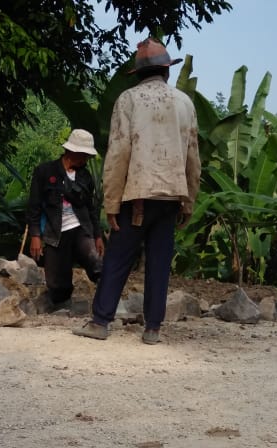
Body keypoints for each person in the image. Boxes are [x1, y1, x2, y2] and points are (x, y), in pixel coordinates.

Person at [72, 37, 200, 345]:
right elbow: (193, 157)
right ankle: (152, 329)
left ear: (139, 73)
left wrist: (111, 203)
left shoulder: (128, 100)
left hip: (138, 195)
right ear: (166, 70)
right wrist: (189, 202)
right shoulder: (185, 103)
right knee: (159, 262)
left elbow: (118, 153)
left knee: (117, 258)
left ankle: (101, 322)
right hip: (170, 197)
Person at [26, 129, 104, 308]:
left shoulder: (85, 176)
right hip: (55, 231)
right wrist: (35, 235)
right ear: (73, 152)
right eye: (84, 155)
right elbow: (34, 206)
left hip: (81, 228)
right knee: (57, 283)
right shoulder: (45, 172)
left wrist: (98, 235)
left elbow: (91, 208)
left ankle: (106, 302)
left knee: (96, 261)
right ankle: (62, 307)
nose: (86, 160)